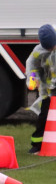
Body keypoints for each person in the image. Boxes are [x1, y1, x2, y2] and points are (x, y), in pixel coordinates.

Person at [26, 24, 56, 154]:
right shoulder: (38, 51)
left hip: (52, 87)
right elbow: (32, 66)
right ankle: (37, 145)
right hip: (48, 90)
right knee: (44, 116)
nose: (51, 49)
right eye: (48, 48)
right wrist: (33, 80)